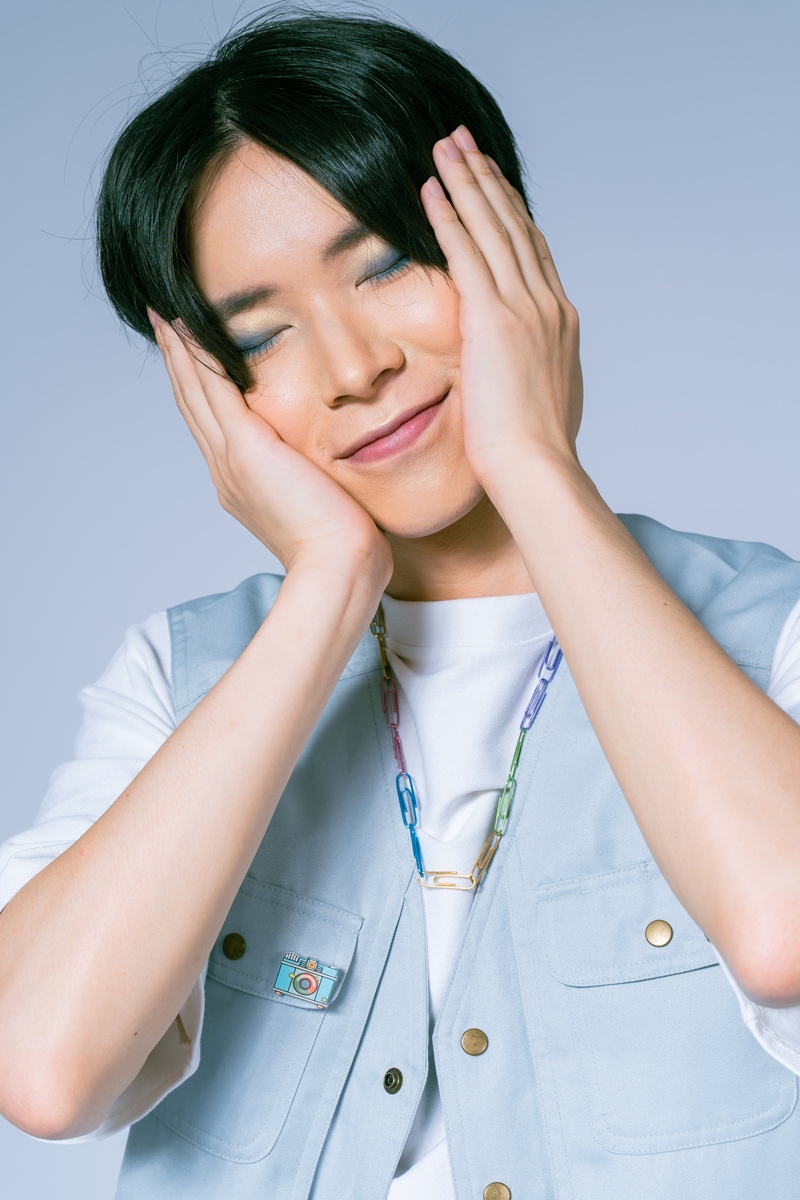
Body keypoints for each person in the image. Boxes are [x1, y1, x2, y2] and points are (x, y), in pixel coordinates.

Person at [1, 8, 800, 1198]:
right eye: (260, 335)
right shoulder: (179, 679)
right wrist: (325, 589)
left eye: (381, 262)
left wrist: (537, 468)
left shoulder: (766, 627)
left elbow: (783, 933)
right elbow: (43, 1072)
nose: (352, 366)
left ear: (508, 247)